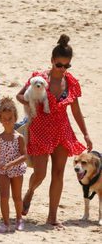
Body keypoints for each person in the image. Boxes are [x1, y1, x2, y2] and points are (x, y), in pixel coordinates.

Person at [16, 34, 93, 228]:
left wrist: (85, 134)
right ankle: (30, 192)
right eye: (60, 65)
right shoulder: (39, 78)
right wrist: (32, 100)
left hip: (62, 130)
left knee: (58, 173)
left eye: (67, 66)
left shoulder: (71, 82)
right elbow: (19, 95)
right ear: (52, 61)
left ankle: (52, 217)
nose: (63, 69)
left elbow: (75, 110)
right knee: (40, 174)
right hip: (40, 128)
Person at [0, 97, 27, 233]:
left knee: (17, 197)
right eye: (4, 119)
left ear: (15, 118)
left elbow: (25, 155)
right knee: (3, 197)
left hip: (16, 170)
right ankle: (6, 223)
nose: (7, 121)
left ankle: (19, 219)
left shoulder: (19, 138)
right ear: (0, 119)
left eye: (10, 118)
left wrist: (12, 163)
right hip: (3, 171)